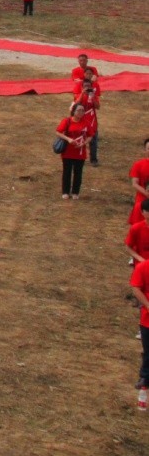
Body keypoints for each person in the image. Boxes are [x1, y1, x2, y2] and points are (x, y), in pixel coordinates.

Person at [56, 102, 92, 199]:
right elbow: (58, 132)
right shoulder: (67, 121)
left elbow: (90, 136)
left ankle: (75, 192)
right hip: (68, 151)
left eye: (82, 110)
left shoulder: (86, 123)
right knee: (67, 172)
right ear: (73, 111)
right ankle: (65, 192)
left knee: (78, 173)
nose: (81, 112)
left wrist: (84, 143)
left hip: (80, 152)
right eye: (78, 110)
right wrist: (68, 139)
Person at [132, 257, 149, 389]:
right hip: (147, 320)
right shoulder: (143, 267)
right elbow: (136, 288)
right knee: (148, 349)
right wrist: (148, 305)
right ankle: (145, 376)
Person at [129, 138, 149, 227]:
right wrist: (146, 193)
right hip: (142, 200)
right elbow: (134, 183)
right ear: (145, 150)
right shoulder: (138, 165)